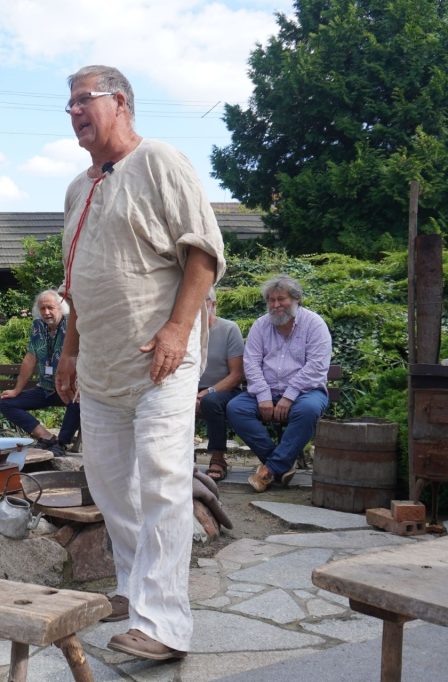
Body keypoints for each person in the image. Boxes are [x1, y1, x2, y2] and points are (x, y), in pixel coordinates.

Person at [54, 65, 224, 661]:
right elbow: (78, 283)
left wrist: (178, 329)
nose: (74, 111)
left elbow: (203, 252)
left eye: (84, 99)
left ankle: (165, 626)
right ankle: (134, 589)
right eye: (69, 104)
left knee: (162, 482)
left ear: (120, 102)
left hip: (161, 362)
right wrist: (69, 351)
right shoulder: (77, 190)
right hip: (100, 368)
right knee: (108, 484)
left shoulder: (160, 161)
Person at [226, 275, 332, 492]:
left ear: (296, 299)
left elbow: (316, 366)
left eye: (281, 299)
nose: (275, 305)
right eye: (271, 300)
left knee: (308, 410)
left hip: (306, 392)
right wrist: (264, 396)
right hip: (267, 391)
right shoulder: (260, 325)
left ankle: (270, 469)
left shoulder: (314, 324)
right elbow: (251, 363)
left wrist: (289, 396)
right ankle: (281, 464)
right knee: (236, 408)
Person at [0, 290, 80, 456]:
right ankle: (47, 438)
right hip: (45, 388)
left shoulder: (71, 325)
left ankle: (61, 444)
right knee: (5, 403)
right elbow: (30, 358)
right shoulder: (38, 326)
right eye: (42, 308)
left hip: (67, 387)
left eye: (50, 307)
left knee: (79, 401)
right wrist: (16, 390)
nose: (46, 312)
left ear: (61, 308)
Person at [197, 288, 244, 481]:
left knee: (211, 401)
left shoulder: (229, 329)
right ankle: (181, 459)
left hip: (225, 390)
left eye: (204, 301)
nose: (199, 307)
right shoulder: (186, 331)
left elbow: (237, 375)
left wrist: (206, 392)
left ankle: (218, 458)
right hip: (190, 389)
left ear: (213, 304)